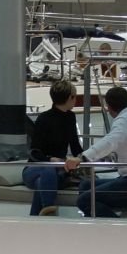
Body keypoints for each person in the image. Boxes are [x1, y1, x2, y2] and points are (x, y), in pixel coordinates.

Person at [63, 85, 127, 217]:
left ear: (109, 107)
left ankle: (115, 228)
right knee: (86, 185)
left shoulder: (124, 121)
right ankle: (96, 222)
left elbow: (110, 141)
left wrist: (81, 158)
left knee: (85, 200)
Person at [24, 80, 83, 215]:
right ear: (69, 98)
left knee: (42, 182)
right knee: (48, 169)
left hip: (58, 171)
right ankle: (49, 210)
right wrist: (50, 159)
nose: (75, 99)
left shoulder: (70, 117)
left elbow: (76, 148)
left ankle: (40, 217)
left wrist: (87, 157)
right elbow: (34, 152)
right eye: (74, 96)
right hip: (35, 168)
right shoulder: (44, 118)